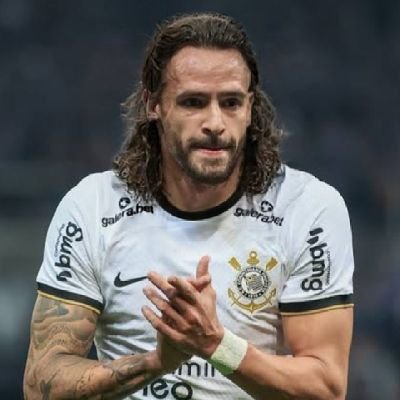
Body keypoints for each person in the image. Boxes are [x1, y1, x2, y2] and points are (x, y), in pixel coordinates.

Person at [23, 12, 354, 400]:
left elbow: (326, 387)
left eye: (231, 102)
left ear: (250, 107)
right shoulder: (93, 208)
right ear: (154, 105)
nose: (215, 122)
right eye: (193, 102)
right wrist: (156, 363)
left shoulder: (307, 208)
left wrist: (215, 345)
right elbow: (41, 385)